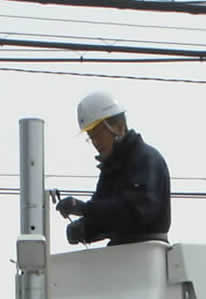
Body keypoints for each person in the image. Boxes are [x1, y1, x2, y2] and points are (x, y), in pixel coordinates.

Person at [56, 90, 171, 247]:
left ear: (118, 126)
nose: (96, 142)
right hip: (122, 256)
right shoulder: (112, 169)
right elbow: (106, 217)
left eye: (98, 134)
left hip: (146, 254)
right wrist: (84, 229)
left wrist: (84, 209)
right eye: (91, 137)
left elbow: (135, 213)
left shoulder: (145, 159)